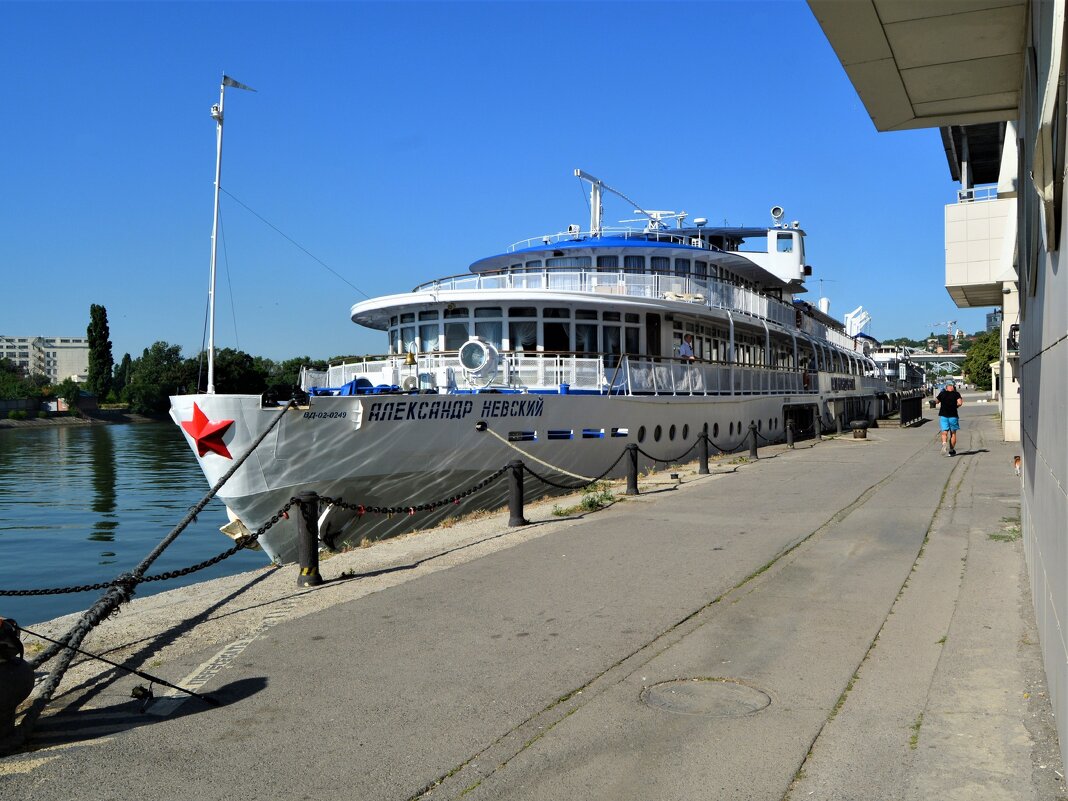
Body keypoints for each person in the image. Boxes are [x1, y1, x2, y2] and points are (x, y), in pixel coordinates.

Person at [935, 381, 964, 456]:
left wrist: (939, 400)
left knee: (944, 432)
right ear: (953, 386)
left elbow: (937, 401)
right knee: (953, 433)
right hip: (953, 416)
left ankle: (944, 443)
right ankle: (951, 450)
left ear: (946, 387)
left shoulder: (942, 393)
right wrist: (956, 406)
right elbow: (960, 403)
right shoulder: (956, 394)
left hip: (943, 415)